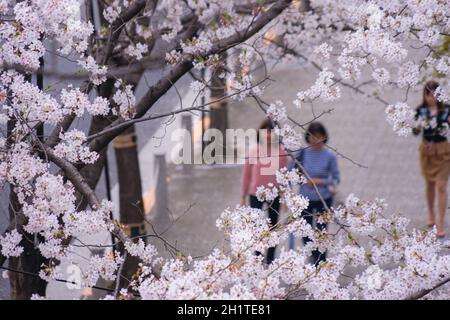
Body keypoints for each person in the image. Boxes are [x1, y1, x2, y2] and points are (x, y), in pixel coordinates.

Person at [287, 122, 340, 266]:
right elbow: (290, 174)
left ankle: (321, 262)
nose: (316, 141)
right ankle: (313, 258)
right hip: (305, 200)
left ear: (324, 137)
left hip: (324, 199)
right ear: (308, 137)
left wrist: (319, 182)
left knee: (322, 232)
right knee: (306, 231)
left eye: (319, 137)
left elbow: (336, 179)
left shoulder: (329, 156)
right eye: (313, 137)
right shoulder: (302, 154)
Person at [240, 118, 289, 264]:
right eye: (266, 131)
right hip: (255, 194)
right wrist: (242, 197)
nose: (268, 134)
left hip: (274, 195)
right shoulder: (254, 150)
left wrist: (284, 198)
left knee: (273, 225)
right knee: (256, 226)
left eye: (271, 131)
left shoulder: (282, 152)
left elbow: (284, 177)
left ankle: (270, 257)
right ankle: (257, 255)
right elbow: (246, 175)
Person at [413, 80, 450, 238]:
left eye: (434, 95)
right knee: (429, 184)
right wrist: (417, 125)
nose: (431, 98)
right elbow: (415, 131)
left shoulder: (447, 110)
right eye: (428, 95)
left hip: (443, 152)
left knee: (441, 186)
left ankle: (440, 222)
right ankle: (431, 214)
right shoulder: (421, 111)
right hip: (427, 151)